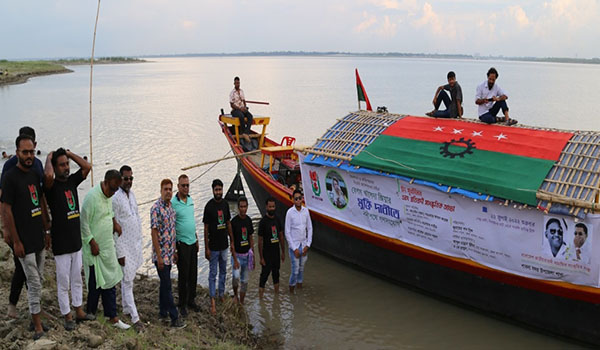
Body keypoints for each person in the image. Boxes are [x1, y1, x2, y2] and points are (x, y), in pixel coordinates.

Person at [0, 134, 49, 339]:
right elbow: (6, 210)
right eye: (24, 152)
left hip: (38, 236)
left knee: (39, 278)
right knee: (34, 282)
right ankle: (37, 326)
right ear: (17, 152)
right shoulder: (10, 177)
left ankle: (34, 316)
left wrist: (47, 230)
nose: (29, 156)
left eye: (31, 152)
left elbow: (41, 200)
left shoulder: (34, 172)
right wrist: (15, 239)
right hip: (24, 241)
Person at [43, 148, 94, 330]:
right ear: (55, 167)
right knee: (63, 281)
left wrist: (70, 154)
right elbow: (48, 175)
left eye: (67, 164)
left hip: (75, 240)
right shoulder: (51, 186)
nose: (66, 167)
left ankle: (79, 310)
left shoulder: (72, 181)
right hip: (61, 242)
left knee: (76, 279)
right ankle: (67, 315)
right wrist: (49, 157)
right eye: (62, 165)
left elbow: (87, 167)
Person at [80, 170, 130, 330]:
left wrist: (114, 222)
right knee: (95, 284)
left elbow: (110, 212)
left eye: (117, 190)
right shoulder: (91, 198)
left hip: (107, 247)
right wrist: (91, 241)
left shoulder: (109, 196)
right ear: (106, 182)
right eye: (113, 189)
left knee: (110, 280)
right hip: (94, 249)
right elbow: (83, 223)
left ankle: (113, 317)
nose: (114, 193)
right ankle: (91, 314)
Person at [112, 165, 144, 331]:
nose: (129, 181)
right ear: (119, 179)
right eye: (126, 178)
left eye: (131, 178)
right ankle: (134, 317)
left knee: (129, 280)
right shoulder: (115, 198)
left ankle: (125, 307)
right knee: (127, 282)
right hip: (124, 246)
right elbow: (114, 227)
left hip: (135, 244)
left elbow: (136, 216)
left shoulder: (131, 195)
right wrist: (119, 252)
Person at [151, 179, 186, 328]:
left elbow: (172, 231)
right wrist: (158, 256)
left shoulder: (171, 208)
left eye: (170, 189)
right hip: (160, 256)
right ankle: (174, 317)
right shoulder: (156, 208)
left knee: (164, 285)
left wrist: (175, 251)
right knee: (167, 286)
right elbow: (154, 233)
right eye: (165, 189)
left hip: (170, 254)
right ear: (160, 190)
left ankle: (162, 312)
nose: (168, 192)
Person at [203, 179, 238, 315]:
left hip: (224, 245)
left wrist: (232, 242)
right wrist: (206, 248)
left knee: (223, 272)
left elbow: (228, 223)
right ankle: (212, 300)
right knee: (213, 274)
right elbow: (205, 229)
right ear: (213, 190)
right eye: (216, 190)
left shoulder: (225, 204)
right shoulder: (208, 207)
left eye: (220, 190)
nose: (218, 192)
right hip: (213, 247)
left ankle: (221, 294)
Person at [171, 174, 200, 316]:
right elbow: (172, 226)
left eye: (188, 185)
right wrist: (174, 248)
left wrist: (197, 239)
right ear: (178, 186)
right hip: (181, 243)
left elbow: (191, 221)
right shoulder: (173, 203)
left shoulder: (191, 200)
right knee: (183, 275)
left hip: (192, 242)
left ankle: (191, 300)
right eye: (183, 185)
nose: (186, 188)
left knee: (193, 273)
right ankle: (182, 303)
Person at [285, 189, 313, 293]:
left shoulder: (306, 211)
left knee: (301, 269)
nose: (298, 200)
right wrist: (294, 248)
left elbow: (310, 228)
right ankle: (291, 290)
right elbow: (287, 232)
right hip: (294, 246)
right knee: (295, 270)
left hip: (304, 244)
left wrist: (308, 245)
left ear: (302, 199)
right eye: (296, 199)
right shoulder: (290, 213)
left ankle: (300, 290)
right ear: (293, 200)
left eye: (299, 198)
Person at [258, 197, 285, 298]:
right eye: (270, 207)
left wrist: (283, 252)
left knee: (276, 275)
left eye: (273, 206)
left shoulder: (278, 219)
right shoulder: (263, 222)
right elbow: (260, 240)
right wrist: (261, 257)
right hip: (266, 254)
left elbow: (281, 236)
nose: (272, 208)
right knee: (264, 276)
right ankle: (261, 298)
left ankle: (276, 298)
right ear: (266, 207)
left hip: (276, 253)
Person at [230, 196, 255, 304]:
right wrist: (235, 259)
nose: (243, 209)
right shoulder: (234, 222)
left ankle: (242, 301)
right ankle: (235, 295)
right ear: (238, 207)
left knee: (244, 281)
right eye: (241, 207)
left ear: (247, 207)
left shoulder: (249, 221)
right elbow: (231, 242)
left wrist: (253, 256)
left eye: (245, 207)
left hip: (247, 255)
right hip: (237, 255)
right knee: (236, 277)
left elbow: (250, 238)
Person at [230, 76, 253, 143]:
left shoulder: (241, 91)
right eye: (236, 83)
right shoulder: (232, 93)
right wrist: (240, 109)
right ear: (234, 83)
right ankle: (242, 132)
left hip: (242, 108)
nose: (237, 84)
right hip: (235, 110)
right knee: (241, 116)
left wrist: (245, 107)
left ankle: (246, 132)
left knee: (250, 116)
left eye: (238, 83)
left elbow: (244, 100)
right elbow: (231, 105)